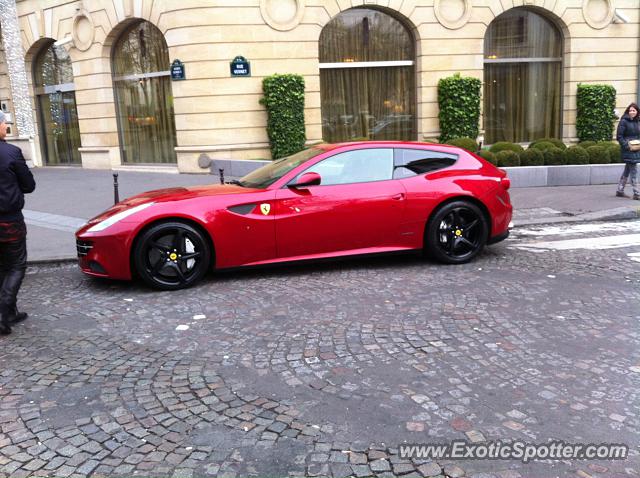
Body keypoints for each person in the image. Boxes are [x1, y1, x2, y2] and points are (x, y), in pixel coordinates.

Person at [0, 110, 36, 335]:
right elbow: (29, 185)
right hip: (9, 221)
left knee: (2, 266)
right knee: (16, 265)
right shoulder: (12, 152)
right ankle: (3, 313)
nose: (6, 126)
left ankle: (10, 312)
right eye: (4, 123)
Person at [616, 102, 640, 200]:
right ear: (627, 111)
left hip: (636, 148)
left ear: (637, 112)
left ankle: (620, 190)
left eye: (634, 110)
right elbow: (619, 137)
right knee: (634, 170)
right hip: (628, 149)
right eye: (630, 110)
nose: (632, 112)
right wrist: (627, 146)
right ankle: (637, 193)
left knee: (628, 169)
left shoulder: (638, 121)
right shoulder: (623, 121)